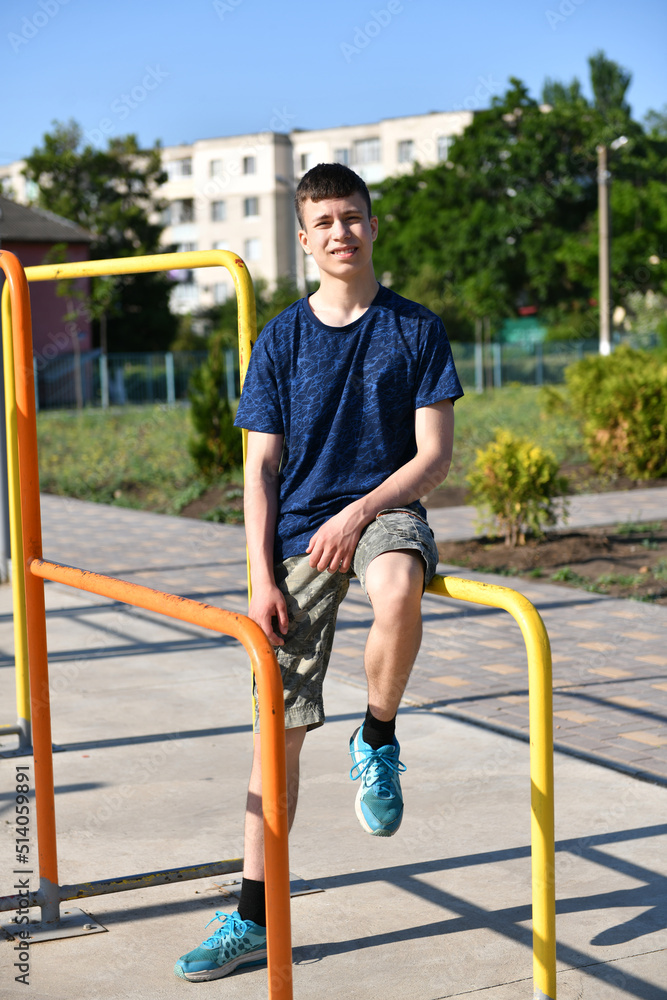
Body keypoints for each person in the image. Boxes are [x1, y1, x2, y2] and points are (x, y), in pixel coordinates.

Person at [174, 162, 463, 983]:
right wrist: (261, 578)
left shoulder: (414, 329)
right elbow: (259, 470)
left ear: (374, 226)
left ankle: (376, 736)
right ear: (304, 241)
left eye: (353, 217)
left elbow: (433, 458)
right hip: (299, 536)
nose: (342, 232)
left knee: (399, 584)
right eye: (324, 222)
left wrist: (359, 513)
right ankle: (253, 918)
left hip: (382, 511)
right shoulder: (280, 340)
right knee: (279, 733)